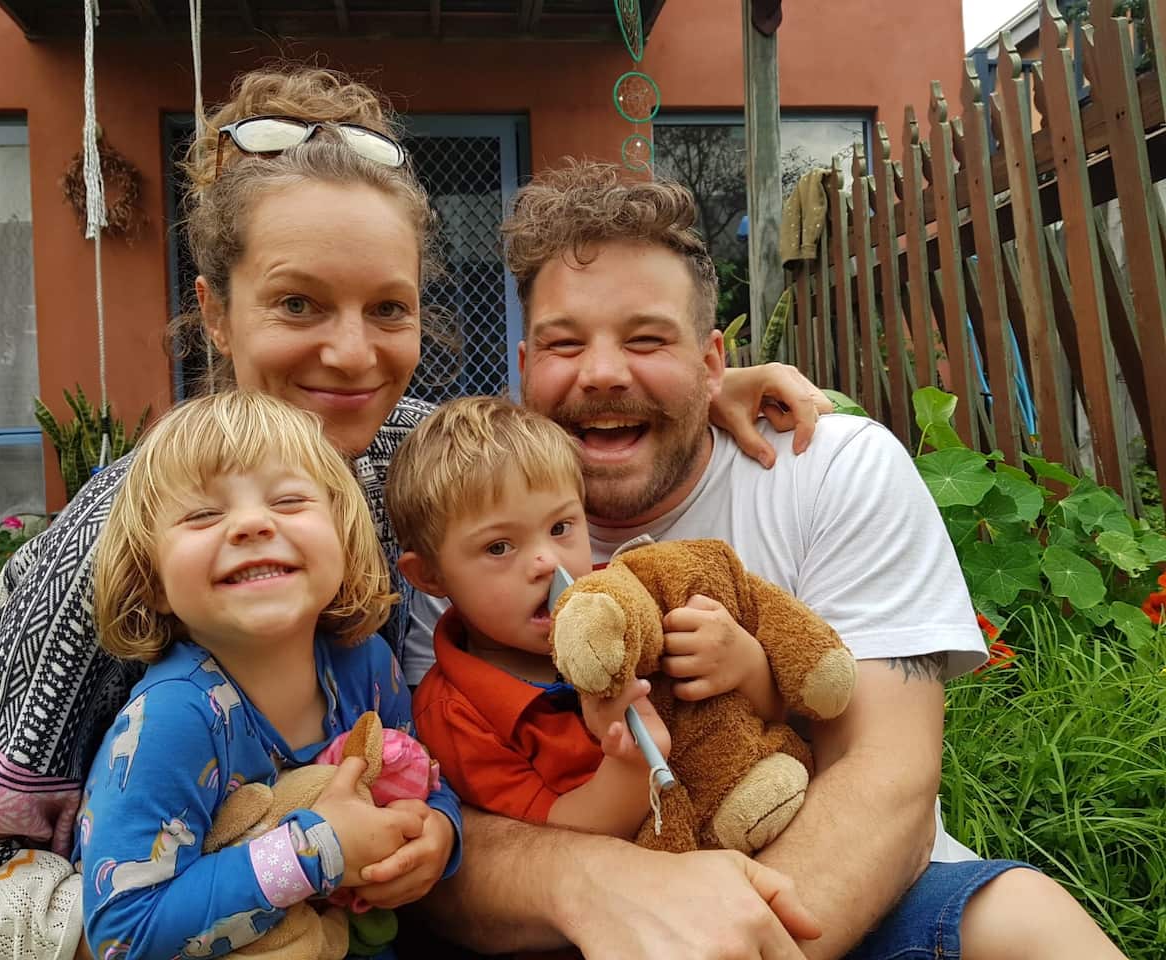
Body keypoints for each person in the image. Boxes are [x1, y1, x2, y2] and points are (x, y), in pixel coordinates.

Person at [0, 65, 827, 960]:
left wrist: (704, 389)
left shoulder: (412, 453)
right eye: (298, 303)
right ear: (214, 312)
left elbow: (531, 456)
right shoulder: (111, 537)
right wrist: (248, 896)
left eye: (388, 309)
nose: (352, 355)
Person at [416, 160, 1129, 960]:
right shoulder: (460, 533)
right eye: (564, 344)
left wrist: (743, 946)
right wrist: (603, 891)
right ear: (523, 367)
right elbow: (449, 834)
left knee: (1031, 925)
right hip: (588, 920)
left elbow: (885, 773)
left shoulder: (830, 467)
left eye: (648, 339)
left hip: (842, 891)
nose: (604, 372)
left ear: (714, 362)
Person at [77, 389, 461, 959]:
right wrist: (316, 851)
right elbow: (121, 932)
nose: (253, 524)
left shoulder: (368, 667)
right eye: (205, 514)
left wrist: (440, 831)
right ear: (152, 581)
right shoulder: (172, 720)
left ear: (345, 541)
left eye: (287, 501)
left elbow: (422, 774)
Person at [389, 395, 790, 845]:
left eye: (561, 528)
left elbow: (777, 711)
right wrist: (630, 762)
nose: (546, 561)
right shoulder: (453, 714)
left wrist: (746, 664)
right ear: (430, 575)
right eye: (499, 547)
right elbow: (557, 839)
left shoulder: (626, 599)